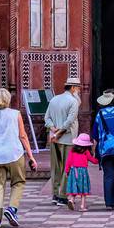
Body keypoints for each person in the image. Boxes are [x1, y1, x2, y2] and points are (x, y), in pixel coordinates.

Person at [0, 87, 38, 228]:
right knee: (18, 183)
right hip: (14, 154)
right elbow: (23, 136)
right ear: (8, 100)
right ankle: (12, 208)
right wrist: (31, 156)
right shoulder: (15, 114)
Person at [43, 77, 81, 208]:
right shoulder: (73, 101)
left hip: (54, 139)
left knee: (56, 167)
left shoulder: (54, 99)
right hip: (68, 139)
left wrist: (54, 130)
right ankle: (63, 195)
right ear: (73, 88)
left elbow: (46, 118)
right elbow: (70, 121)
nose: (79, 90)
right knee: (67, 167)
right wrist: (60, 132)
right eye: (78, 88)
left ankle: (55, 194)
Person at [64, 133, 96, 213]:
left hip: (73, 171)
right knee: (83, 189)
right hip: (83, 172)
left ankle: (71, 199)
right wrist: (99, 160)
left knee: (75, 186)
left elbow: (68, 161)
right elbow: (92, 160)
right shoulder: (86, 152)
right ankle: (82, 206)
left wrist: (67, 171)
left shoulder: (72, 151)